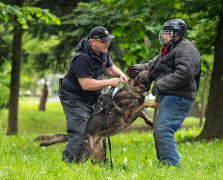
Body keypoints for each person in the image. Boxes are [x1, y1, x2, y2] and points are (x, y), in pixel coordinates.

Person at [127, 19, 201, 167]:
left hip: (179, 96)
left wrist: (160, 84)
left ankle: (172, 167)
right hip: (168, 95)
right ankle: (165, 165)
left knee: (163, 130)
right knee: (160, 130)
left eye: (167, 33)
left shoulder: (186, 49)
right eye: (164, 32)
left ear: (176, 34)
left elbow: (185, 73)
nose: (164, 36)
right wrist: (136, 69)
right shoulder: (169, 49)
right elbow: (152, 65)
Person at [58, 26, 128, 163]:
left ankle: (100, 163)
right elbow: (86, 84)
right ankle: (68, 165)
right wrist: (110, 82)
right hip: (74, 98)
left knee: (98, 129)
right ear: (93, 42)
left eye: (108, 40)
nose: (107, 43)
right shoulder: (81, 58)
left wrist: (120, 75)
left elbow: (110, 68)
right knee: (78, 133)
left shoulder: (102, 51)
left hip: (92, 97)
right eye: (104, 41)